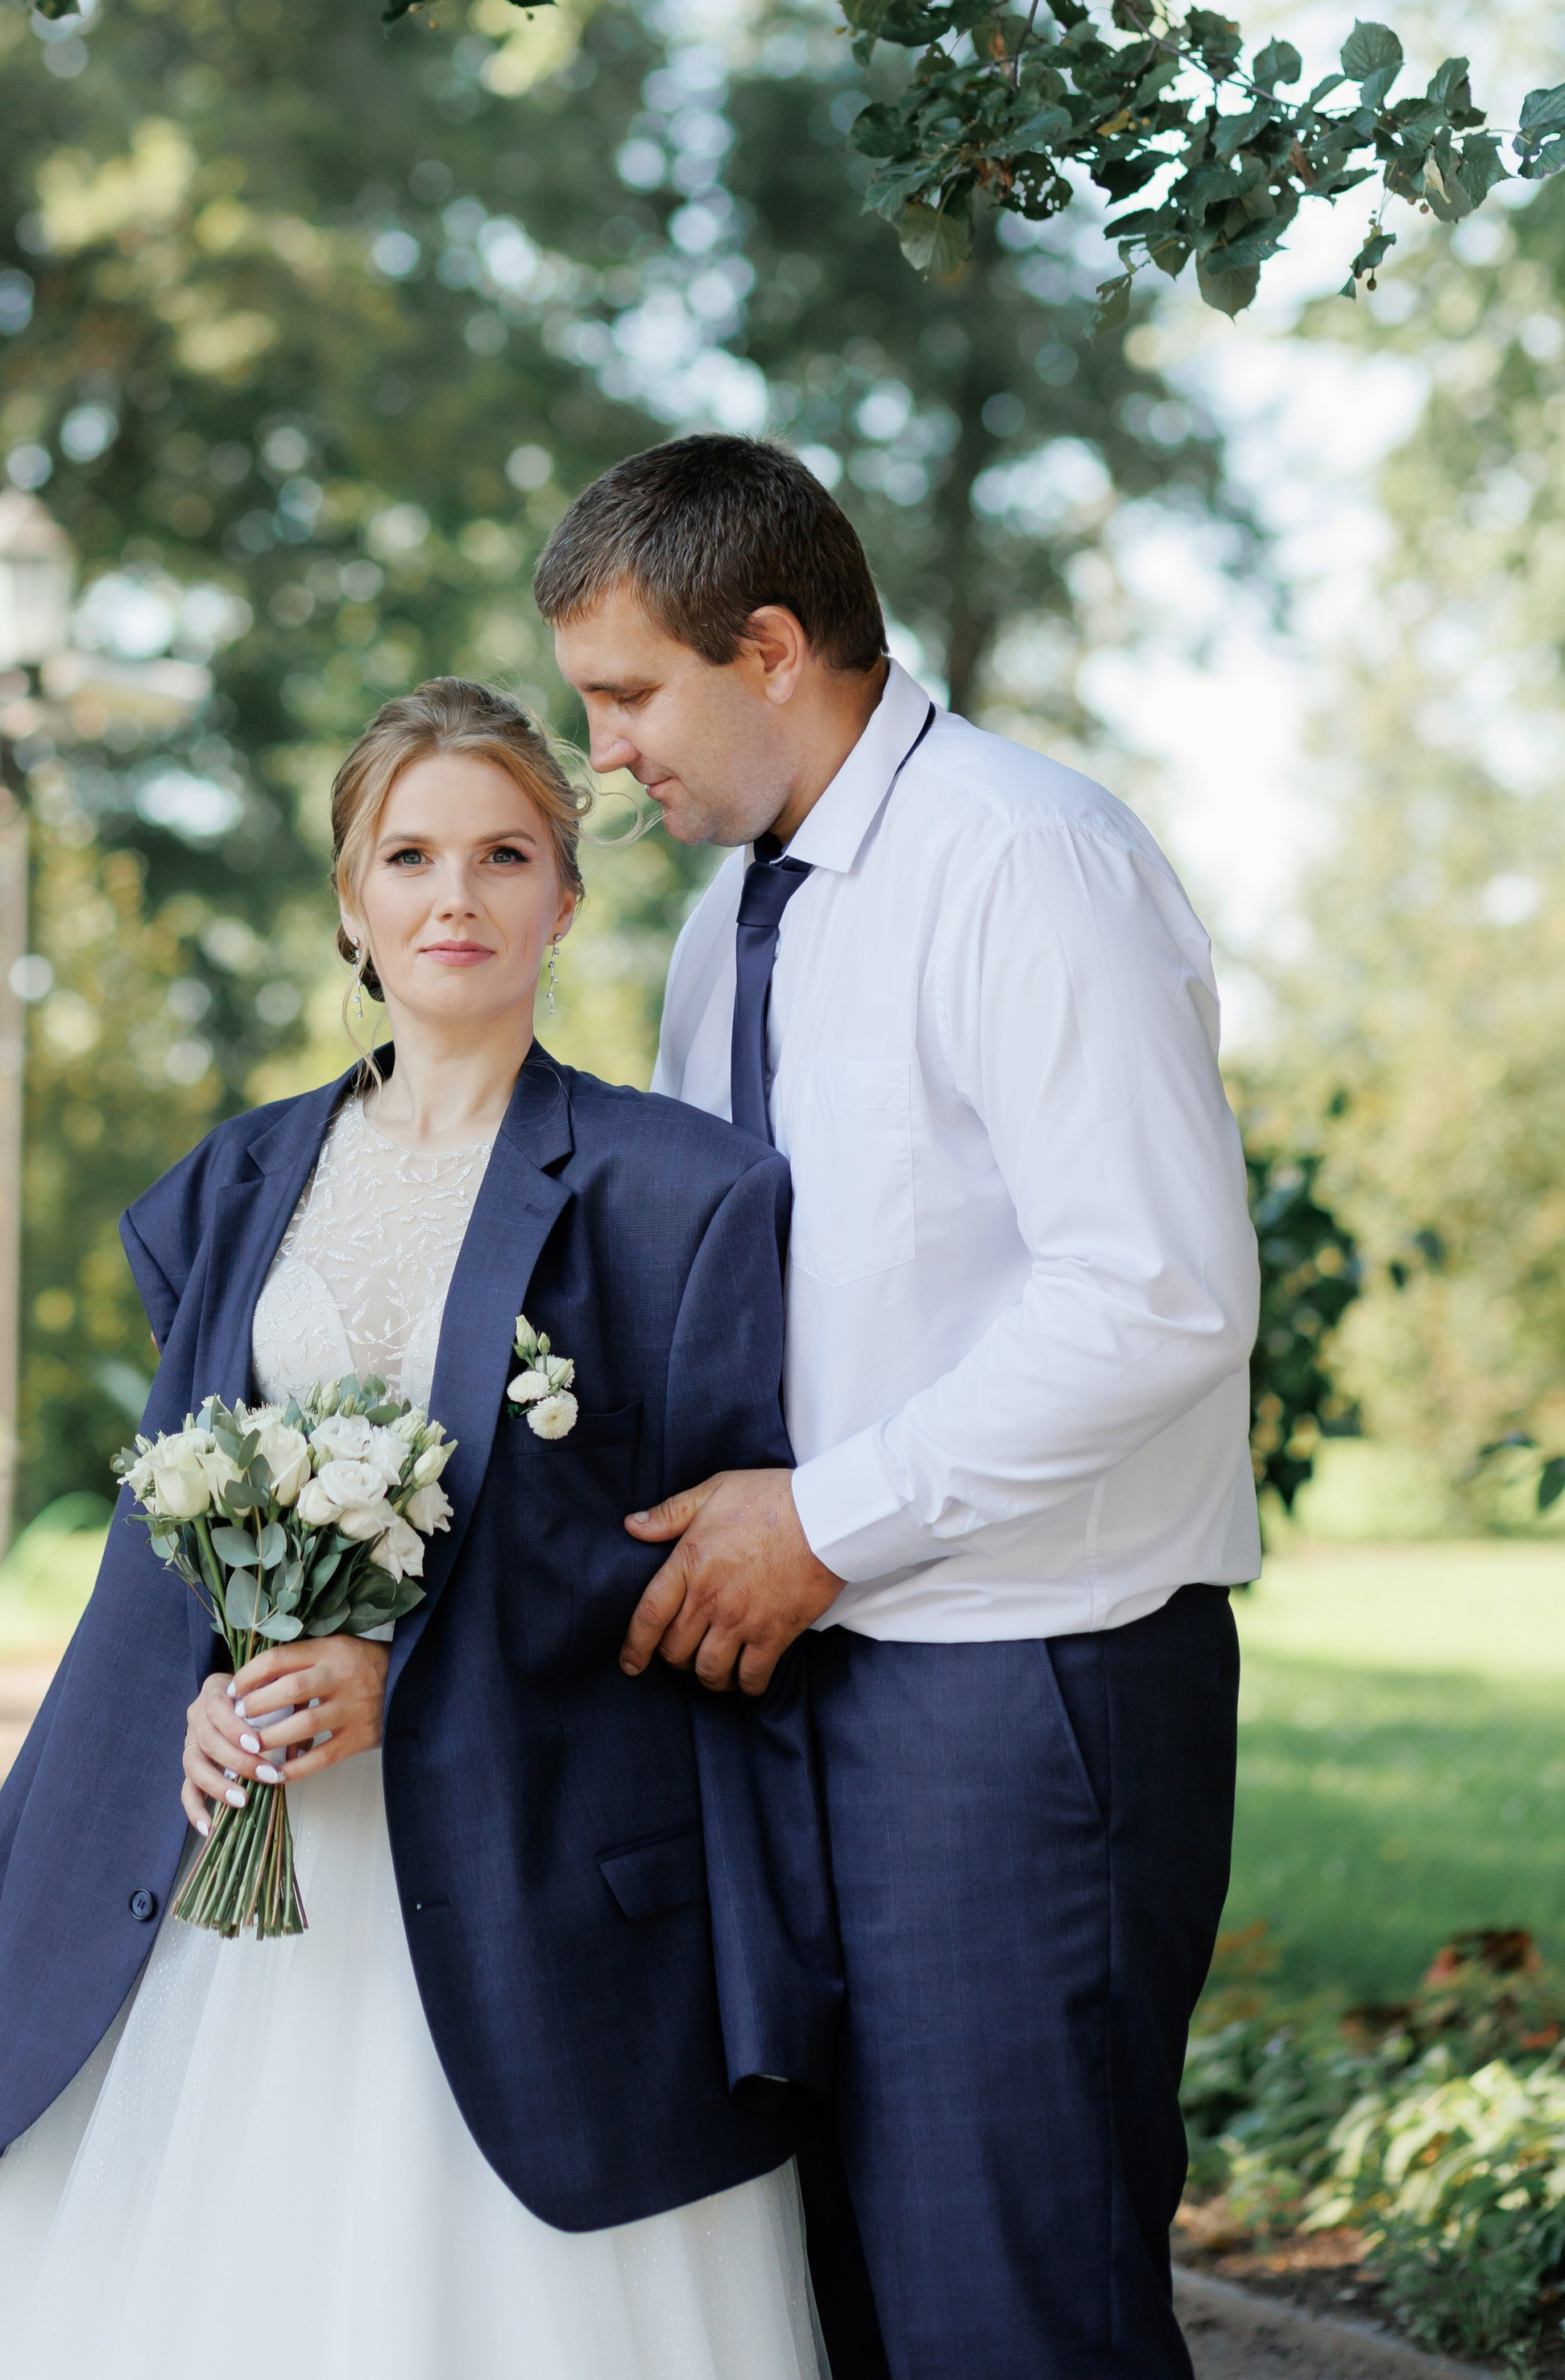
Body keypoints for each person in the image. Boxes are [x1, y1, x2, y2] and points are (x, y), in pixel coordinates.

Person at [0, 678, 840, 2380]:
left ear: (566, 897)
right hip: (255, 1882)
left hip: (536, 1870)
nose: (452, 896)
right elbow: (176, 1513)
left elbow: (713, 1583)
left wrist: (418, 1678)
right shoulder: (235, 1184)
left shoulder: (684, 1194)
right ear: (350, 903)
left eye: (503, 854)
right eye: (407, 856)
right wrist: (205, 1688)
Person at [538, 435, 1262, 2380]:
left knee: (1010, 2313)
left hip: (1017, 1697)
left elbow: (1156, 1289)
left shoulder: (1025, 859)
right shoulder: (728, 924)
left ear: (770, 648)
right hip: (794, 1688)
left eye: (627, 695)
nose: (602, 753)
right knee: (840, 2309)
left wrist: (820, 1522)